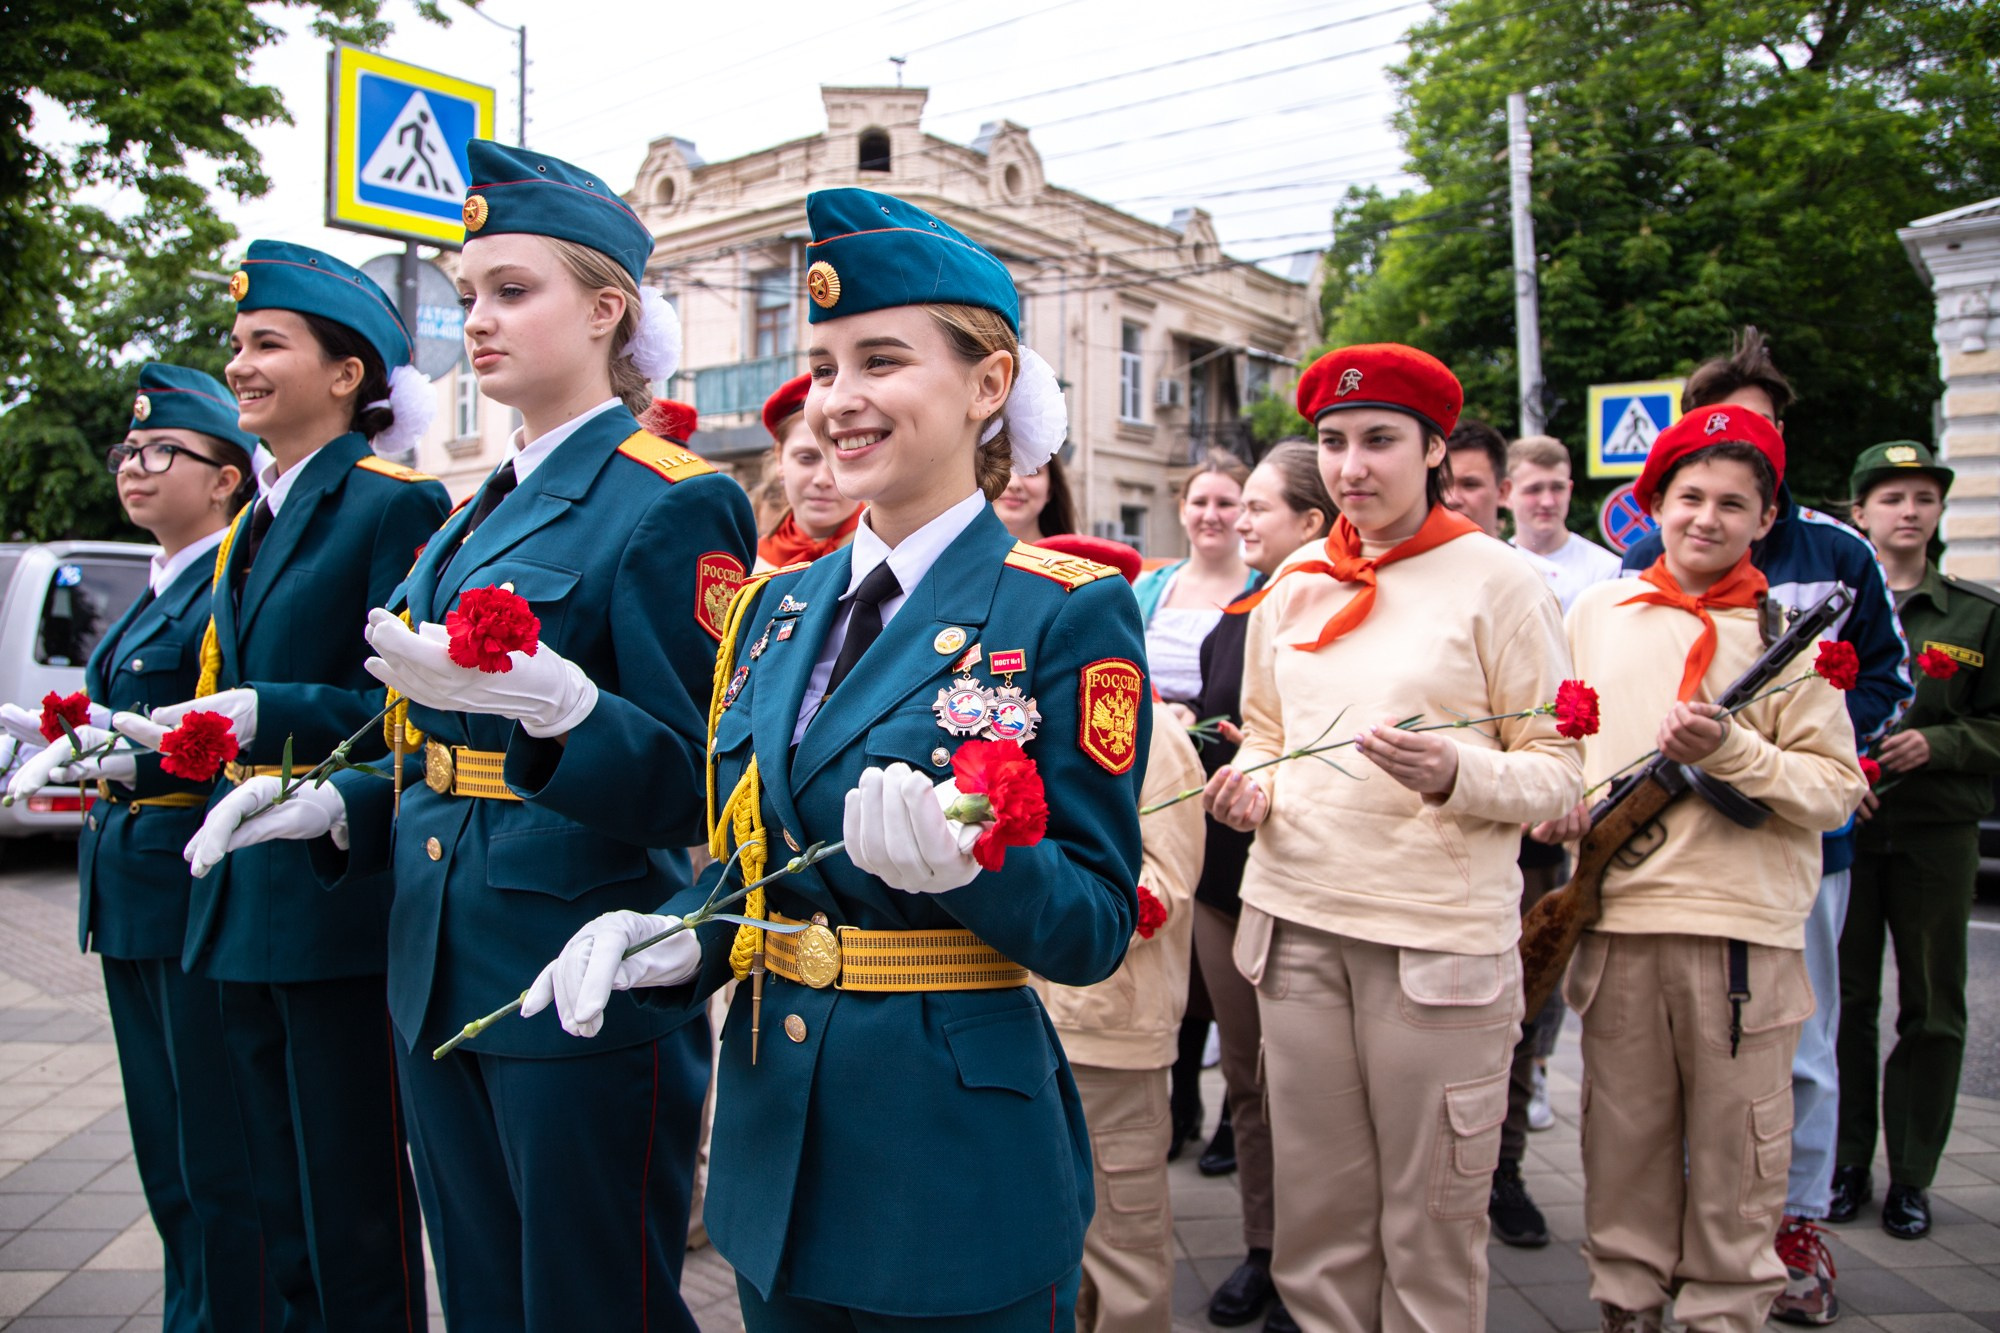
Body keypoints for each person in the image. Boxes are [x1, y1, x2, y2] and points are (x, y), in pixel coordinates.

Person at [523, 186, 1150, 1332]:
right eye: (823, 366)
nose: (840, 400)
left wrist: (972, 868)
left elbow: (1098, 921)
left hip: (952, 1159)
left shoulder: (1061, 611)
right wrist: (676, 935)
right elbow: (750, 858)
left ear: (988, 384)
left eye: (879, 360)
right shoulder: (770, 609)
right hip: (777, 1150)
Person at [184, 141, 756, 1329]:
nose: (477, 322)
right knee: (488, 1299)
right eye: (466, 296)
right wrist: (347, 803)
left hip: (572, 958)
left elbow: (701, 789)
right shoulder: (467, 515)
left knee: (595, 1303)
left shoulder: (669, 498)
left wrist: (567, 711)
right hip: (433, 958)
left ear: (607, 310)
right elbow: (445, 747)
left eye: (511, 290)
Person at [1204, 343, 1583, 1331]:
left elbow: (1557, 771)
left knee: (1429, 1229)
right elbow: (1269, 736)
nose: (1350, 467)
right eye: (1331, 442)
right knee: (1317, 1228)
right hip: (1293, 929)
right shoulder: (1290, 585)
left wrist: (1456, 772)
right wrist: (1245, 784)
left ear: (1430, 449)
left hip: (1432, 948)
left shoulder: (1497, 581)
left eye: (1378, 440)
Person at [112, 241, 448, 1329]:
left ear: (347, 374)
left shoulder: (390, 503)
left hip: (328, 893)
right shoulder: (248, 523)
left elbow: (407, 708)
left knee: (352, 1215)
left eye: (268, 344)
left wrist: (277, 709)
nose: (242, 364)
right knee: (260, 1199)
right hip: (234, 898)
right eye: (239, 344)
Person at [1619, 327, 1910, 1326]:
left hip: (1797, 850)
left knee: (1797, 1048)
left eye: (1758, 435)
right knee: (1665, 1074)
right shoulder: (1634, 567)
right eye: (1715, 437)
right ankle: (1679, 1244)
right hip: (1662, 857)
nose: (1736, 451)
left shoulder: (1834, 554)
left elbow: (1884, 676)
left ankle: (1787, 1231)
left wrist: (1838, 757)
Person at [1555, 404, 1866, 1332]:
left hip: (1744, 943)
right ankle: (1627, 1304)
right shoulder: (1597, 610)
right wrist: (1559, 803)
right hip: (1616, 926)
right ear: (1655, 499)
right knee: (1622, 1145)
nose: (1707, 518)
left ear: (1767, 518)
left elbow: (1834, 790)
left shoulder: (1791, 637)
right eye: (1689, 495)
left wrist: (1733, 752)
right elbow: (1563, 738)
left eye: (1736, 503)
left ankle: (1723, 1313)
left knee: (1739, 1162)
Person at [7, 364, 269, 1332]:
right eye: (130, 450)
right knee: (166, 1157)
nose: (135, 466)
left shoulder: (228, 590)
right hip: (129, 896)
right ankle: (188, 1310)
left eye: (164, 451)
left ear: (227, 479)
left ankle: (221, 1315)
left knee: (213, 1157)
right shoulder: (155, 588)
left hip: (186, 895)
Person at [1029, 531, 1203, 1333]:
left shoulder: (1155, 732)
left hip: (1110, 1024)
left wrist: (1030, 882)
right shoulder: (1015, 710)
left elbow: (1161, 882)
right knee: (1045, 1229)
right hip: (1022, 1014)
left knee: (1125, 1242)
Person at [1833, 441, 2000, 1241]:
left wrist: (1944, 743)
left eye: (1923, 497)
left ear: (1938, 512)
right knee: (1846, 1003)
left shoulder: (1977, 613)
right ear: (1859, 512)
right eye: (1891, 496)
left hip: (1936, 831)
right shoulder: (1834, 610)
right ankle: (1844, 1163)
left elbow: (1995, 722)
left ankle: (1913, 1177)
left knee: (1933, 1009)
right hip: (1849, 829)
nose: (1909, 510)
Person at [1194, 439, 1331, 1333]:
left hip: (1308, 880)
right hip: (1221, 878)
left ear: (1313, 523)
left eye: (1260, 508)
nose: (1241, 521)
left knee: (1311, 1093)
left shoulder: (1334, 613)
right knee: (1246, 1082)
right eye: (1237, 505)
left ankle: (1317, 1270)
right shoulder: (1233, 614)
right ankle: (1263, 1247)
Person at [1131, 451, 1253, 1158]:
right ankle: (1178, 1102)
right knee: (1168, 925)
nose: (1212, 514)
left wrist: (1196, 715)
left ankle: (1237, 1115)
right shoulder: (1151, 587)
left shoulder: (1263, 589)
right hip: (1154, 783)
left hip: (1227, 779)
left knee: (1223, 949)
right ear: (1182, 508)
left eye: (1226, 502)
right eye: (1200, 501)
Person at [756, 373, 863, 570]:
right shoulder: (749, 562)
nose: (822, 479)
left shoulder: (890, 553)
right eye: (807, 458)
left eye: (843, 455)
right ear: (779, 457)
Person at [1507, 434, 1621, 605]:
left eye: (1557, 488)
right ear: (1506, 492)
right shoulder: (1495, 566)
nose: (1547, 501)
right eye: (1534, 489)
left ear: (1569, 489)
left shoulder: (1606, 570)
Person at [994, 452, 1079, 540]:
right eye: (999, 469)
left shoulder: (1071, 553)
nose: (1014, 484)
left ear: (1050, 489)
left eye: (1031, 472)